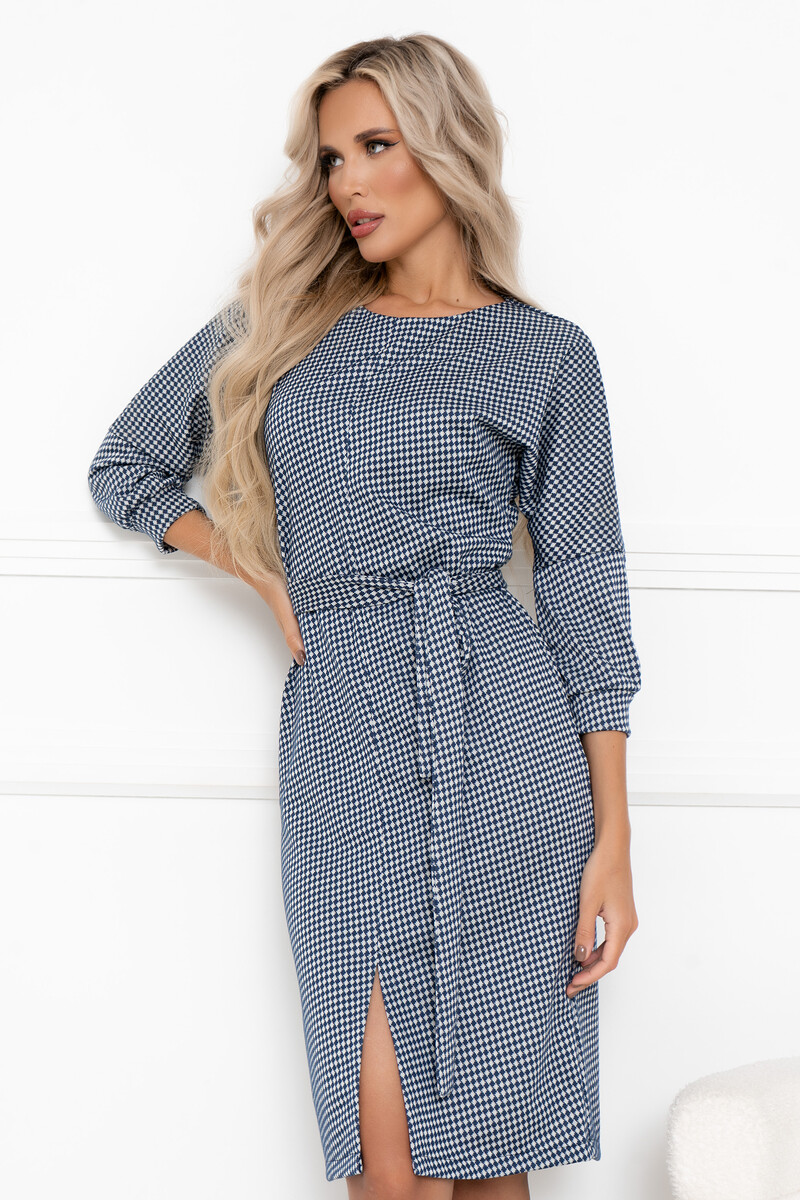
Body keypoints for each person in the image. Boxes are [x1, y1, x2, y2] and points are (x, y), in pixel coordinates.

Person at [87, 33, 642, 1200]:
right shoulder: (280, 322)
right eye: (331, 157)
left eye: (374, 146)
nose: (344, 182)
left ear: (445, 148)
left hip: (509, 745)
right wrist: (256, 566)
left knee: (489, 1155)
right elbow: (127, 466)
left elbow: (585, 591)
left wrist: (612, 843)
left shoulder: (544, 354)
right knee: (387, 1161)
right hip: (345, 733)